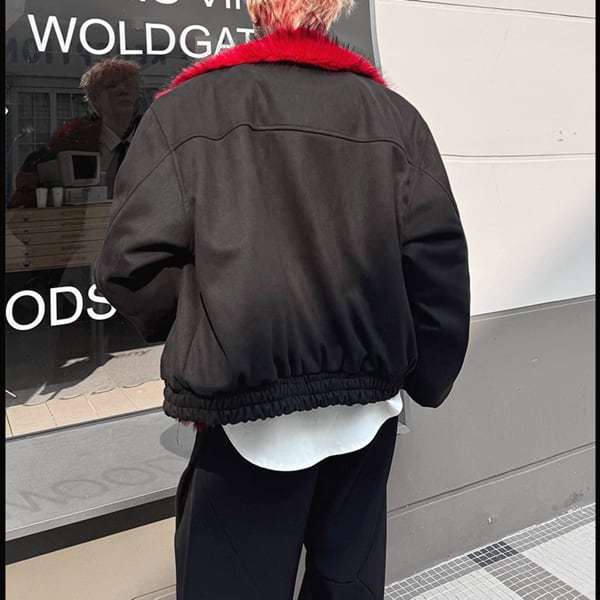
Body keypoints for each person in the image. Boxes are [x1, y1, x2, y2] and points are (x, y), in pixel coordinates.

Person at [93, 0, 471, 597]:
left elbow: (128, 263)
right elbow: (437, 265)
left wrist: (205, 326)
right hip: (365, 414)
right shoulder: (394, 117)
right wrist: (425, 376)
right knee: (347, 584)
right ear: (334, 10)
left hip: (246, 418)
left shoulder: (188, 111)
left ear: (254, 9)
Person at [9, 57, 142, 207]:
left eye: (129, 85)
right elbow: (22, 209)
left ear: (137, 93)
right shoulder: (66, 145)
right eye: (112, 85)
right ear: (95, 98)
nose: (123, 90)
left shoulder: (155, 139)